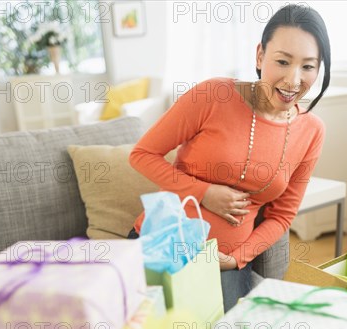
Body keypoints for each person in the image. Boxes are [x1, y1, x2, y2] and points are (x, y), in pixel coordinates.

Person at [128, 4, 331, 311]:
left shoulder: (312, 131)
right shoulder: (212, 96)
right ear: (260, 56)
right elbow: (142, 155)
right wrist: (204, 193)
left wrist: (238, 257)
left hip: (225, 263)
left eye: (308, 66)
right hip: (163, 242)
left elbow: (281, 215)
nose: (293, 80)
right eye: (282, 61)